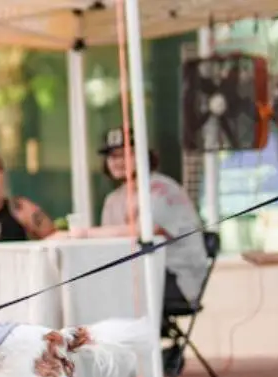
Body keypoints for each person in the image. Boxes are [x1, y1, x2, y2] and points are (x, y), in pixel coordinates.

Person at [51, 127, 209, 309]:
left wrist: (83, 233)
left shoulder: (161, 188)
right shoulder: (113, 199)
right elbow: (108, 249)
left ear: (143, 156)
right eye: (112, 156)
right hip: (137, 275)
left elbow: (146, 231)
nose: (118, 161)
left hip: (176, 279)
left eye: (125, 154)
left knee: (100, 296)